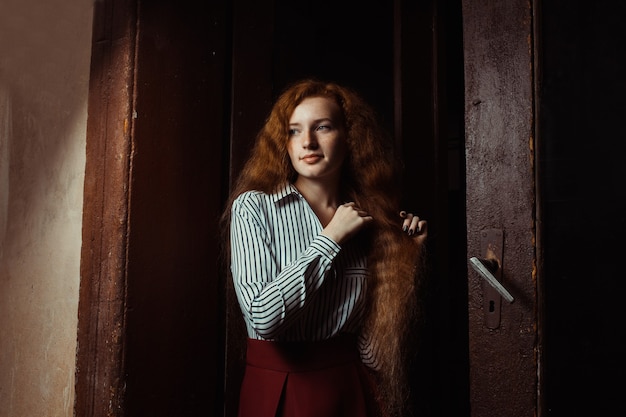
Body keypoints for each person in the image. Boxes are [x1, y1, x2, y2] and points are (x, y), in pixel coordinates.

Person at [221, 79, 428, 417]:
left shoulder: (371, 221)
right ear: (282, 144)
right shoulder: (254, 208)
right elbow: (263, 317)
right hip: (279, 390)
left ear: (350, 138)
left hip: (350, 389)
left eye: (323, 127)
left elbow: (372, 354)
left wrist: (409, 259)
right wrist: (331, 238)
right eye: (293, 131)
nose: (307, 142)